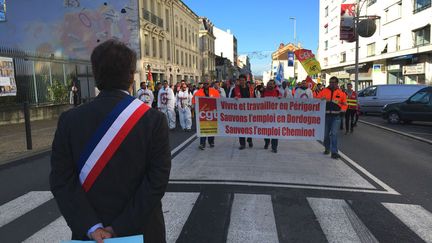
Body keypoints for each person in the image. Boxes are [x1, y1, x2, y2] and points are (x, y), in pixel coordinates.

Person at [50, 40, 171, 242]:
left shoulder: (69, 120)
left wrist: (91, 227)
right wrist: (118, 228)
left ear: (96, 75)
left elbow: (61, 180)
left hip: (91, 235)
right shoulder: (153, 120)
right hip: (142, 230)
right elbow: (156, 181)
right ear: (131, 77)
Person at [318, 76, 347, 159]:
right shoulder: (324, 91)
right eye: (331, 82)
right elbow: (316, 100)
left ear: (337, 83)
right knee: (325, 135)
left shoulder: (341, 93)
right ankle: (327, 148)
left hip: (336, 117)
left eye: (334, 82)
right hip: (326, 116)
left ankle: (334, 152)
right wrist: (321, 99)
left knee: (334, 134)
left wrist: (343, 111)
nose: (332, 84)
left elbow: (345, 104)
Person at [193, 80, 220, 150]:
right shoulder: (198, 92)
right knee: (203, 130)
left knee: (211, 129)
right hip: (203, 114)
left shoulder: (214, 91)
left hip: (212, 114)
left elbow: (219, 100)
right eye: (204, 84)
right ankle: (202, 143)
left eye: (207, 84)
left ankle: (211, 142)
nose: (206, 85)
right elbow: (194, 101)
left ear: (209, 84)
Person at [232, 74, 255, 150]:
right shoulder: (234, 89)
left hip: (249, 112)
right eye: (240, 80)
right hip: (239, 112)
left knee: (249, 127)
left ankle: (249, 139)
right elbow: (230, 100)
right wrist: (234, 98)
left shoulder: (251, 89)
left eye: (243, 80)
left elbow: (255, 99)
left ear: (245, 81)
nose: (241, 82)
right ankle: (242, 144)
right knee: (241, 128)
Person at [262, 80, 280, 153]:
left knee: (275, 132)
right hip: (265, 115)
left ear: (274, 85)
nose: (270, 85)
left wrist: (280, 99)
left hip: (275, 116)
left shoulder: (277, 92)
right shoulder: (264, 92)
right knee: (265, 131)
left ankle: (274, 147)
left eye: (271, 84)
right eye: (269, 84)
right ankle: (267, 142)